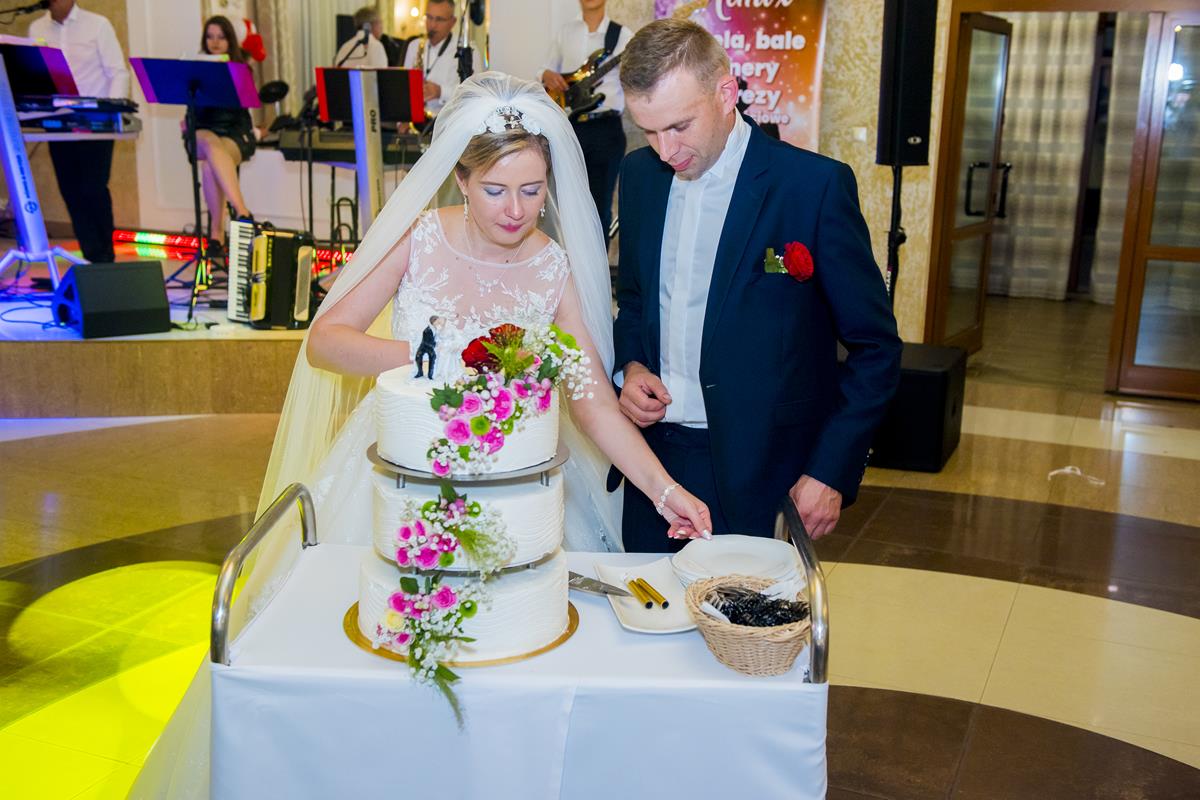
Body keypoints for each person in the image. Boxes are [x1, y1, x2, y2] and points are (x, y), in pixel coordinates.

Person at [127, 75, 711, 798]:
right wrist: (430, 356)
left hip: (514, 488)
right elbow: (326, 340)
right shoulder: (422, 237)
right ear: (460, 179)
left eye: (532, 190)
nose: (516, 210)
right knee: (373, 667)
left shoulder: (551, 267)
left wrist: (665, 489)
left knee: (506, 663)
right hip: (398, 470)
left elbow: (591, 402)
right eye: (496, 190)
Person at [612, 19, 903, 553]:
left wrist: (831, 469)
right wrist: (630, 367)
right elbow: (633, 299)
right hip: (655, 464)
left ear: (726, 93)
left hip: (766, 470)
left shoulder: (812, 186)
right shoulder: (639, 177)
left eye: (679, 126)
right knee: (648, 606)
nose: (665, 150)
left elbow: (876, 347)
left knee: (748, 611)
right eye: (648, 131)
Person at [29, 0, 128, 264]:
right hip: (58, 122)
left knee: (93, 188)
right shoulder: (36, 28)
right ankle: (89, 257)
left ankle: (104, 258)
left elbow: (118, 73)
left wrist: (111, 114)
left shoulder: (97, 25)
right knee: (70, 190)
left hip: (95, 123)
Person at [540, 0, 631, 241]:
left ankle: (597, 263)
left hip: (606, 129)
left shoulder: (623, 36)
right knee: (566, 204)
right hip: (571, 128)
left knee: (600, 207)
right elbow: (544, 71)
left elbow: (638, 77)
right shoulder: (565, 31)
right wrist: (547, 75)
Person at [188, 15, 255, 256]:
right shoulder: (195, 69)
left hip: (234, 131)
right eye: (210, 37)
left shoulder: (241, 69)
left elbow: (242, 109)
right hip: (202, 130)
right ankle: (243, 213)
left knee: (209, 166)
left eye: (221, 37)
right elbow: (192, 111)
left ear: (230, 40)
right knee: (209, 141)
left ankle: (216, 234)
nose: (215, 42)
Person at [402, 0, 481, 115]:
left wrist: (441, 92)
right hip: (416, 118)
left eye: (439, 19)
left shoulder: (469, 50)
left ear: (453, 22)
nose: (432, 25)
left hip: (449, 121)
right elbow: (405, 87)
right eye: (429, 17)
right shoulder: (414, 46)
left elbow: (477, 93)